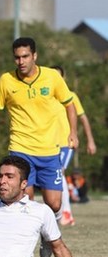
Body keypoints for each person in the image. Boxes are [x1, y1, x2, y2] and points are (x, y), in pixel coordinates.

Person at [0, 37, 78, 257]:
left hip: (49, 150)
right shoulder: (6, 81)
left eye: (25, 56)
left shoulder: (52, 77)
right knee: (23, 201)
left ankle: (47, 236)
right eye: (17, 57)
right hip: (20, 149)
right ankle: (24, 248)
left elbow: (70, 104)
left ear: (35, 56)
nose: (21, 61)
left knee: (54, 203)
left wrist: (73, 132)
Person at [49, 65, 96, 226]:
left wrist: (90, 140)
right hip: (47, 143)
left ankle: (66, 213)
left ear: (63, 78)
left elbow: (83, 118)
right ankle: (57, 212)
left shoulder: (70, 96)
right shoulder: (47, 97)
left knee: (59, 172)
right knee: (52, 177)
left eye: (58, 76)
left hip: (65, 143)